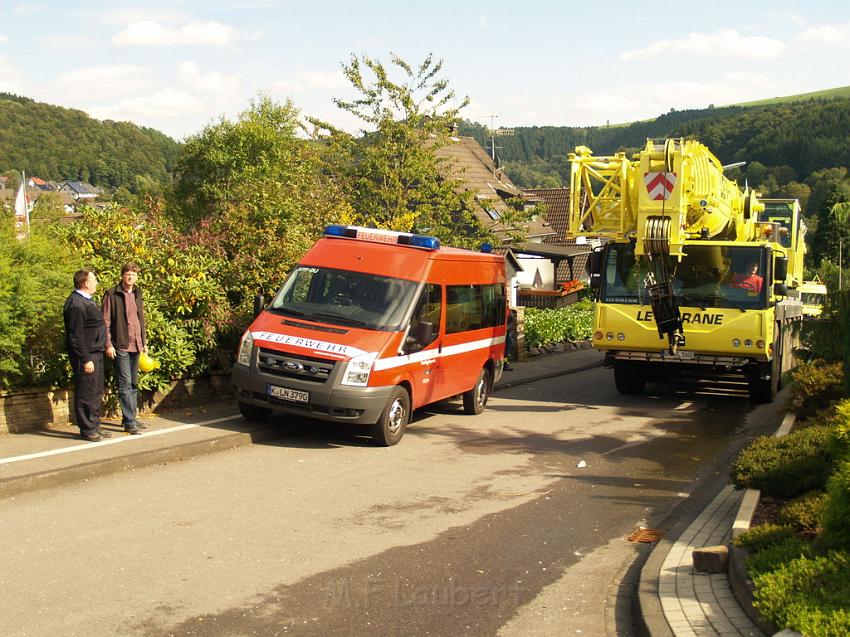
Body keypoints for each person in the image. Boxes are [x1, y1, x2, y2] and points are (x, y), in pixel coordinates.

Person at [64, 269, 110, 442]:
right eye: (94, 279)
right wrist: (85, 359)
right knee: (86, 392)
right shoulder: (75, 304)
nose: (96, 282)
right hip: (86, 356)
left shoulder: (87, 301)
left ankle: (95, 425)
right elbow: (75, 336)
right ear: (86, 283)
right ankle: (87, 429)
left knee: (96, 391)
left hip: (96, 353)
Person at [102, 263, 147, 435]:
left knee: (134, 383)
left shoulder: (137, 292)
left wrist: (144, 342)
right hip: (120, 345)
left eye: (133, 274)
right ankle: (129, 422)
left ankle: (131, 417)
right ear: (122, 276)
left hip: (136, 344)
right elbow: (105, 321)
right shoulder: (112, 294)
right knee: (125, 383)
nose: (130, 277)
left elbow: (140, 318)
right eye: (128, 274)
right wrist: (108, 344)